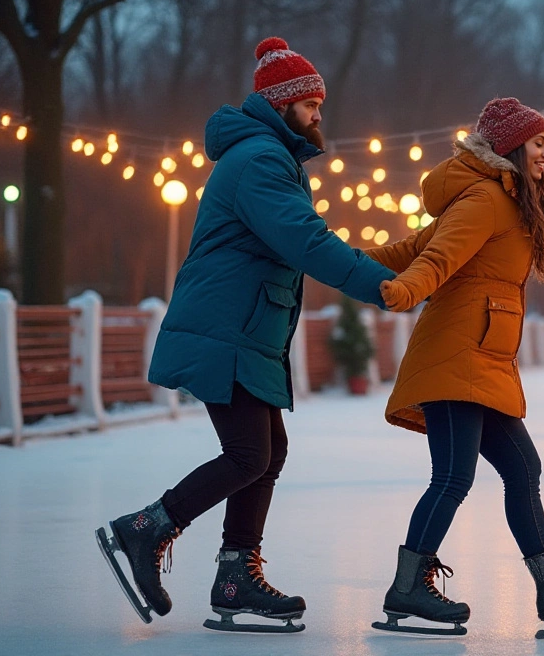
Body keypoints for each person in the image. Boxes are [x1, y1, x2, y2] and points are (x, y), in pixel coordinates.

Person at [95, 37, 394, 633]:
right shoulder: (260, 160)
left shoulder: (265, 156)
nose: (318, 116)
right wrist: (384, 286)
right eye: (309, 105)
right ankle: (145, 528)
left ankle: (235, 578)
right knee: (250, 454)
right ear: (280, 105)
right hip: (226, 332)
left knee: (266, 453)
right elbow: (305, 241)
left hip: (243, 331)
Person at [365, 98, 544, 638]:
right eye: (538, 143)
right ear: (509, 148)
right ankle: (408, 586)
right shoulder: (485, 199)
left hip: (484, 360)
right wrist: (400, 289)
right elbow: (432, 257)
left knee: (524, 468)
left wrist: (357, 259)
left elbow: (413, 244)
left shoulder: (512, 200)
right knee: (453, 476)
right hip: (455, 354)